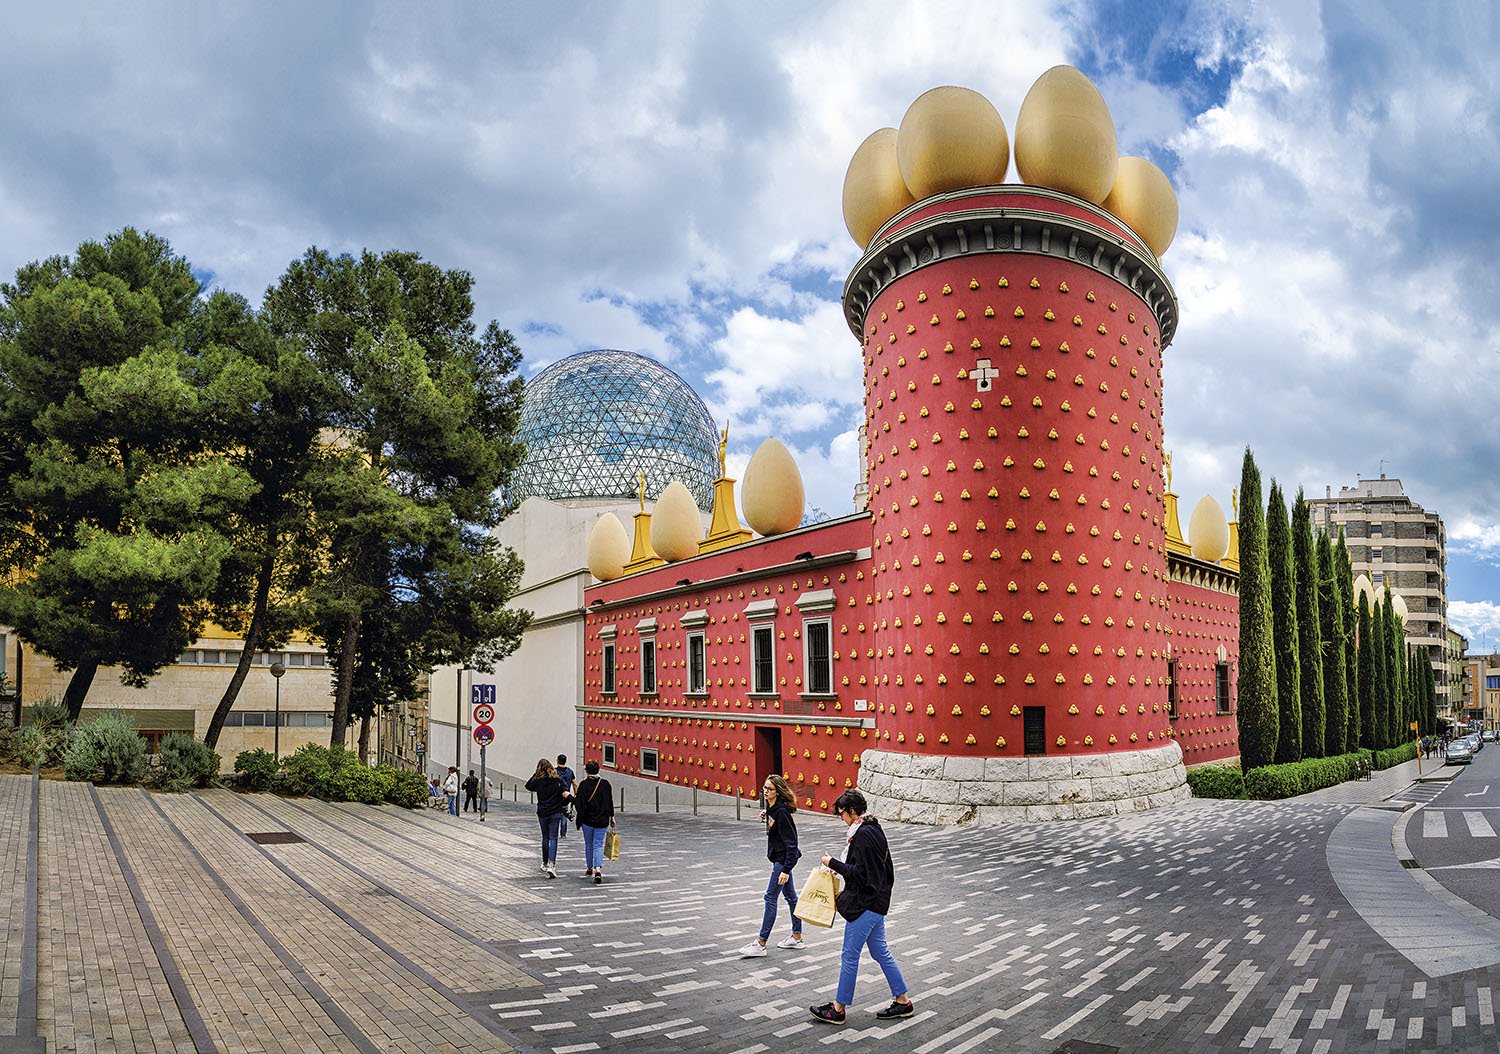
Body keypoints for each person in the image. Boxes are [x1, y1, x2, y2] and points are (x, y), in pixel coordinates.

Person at [809, 789, 913, 1025]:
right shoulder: (873, 828)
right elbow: (869, 869)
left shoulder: (864, 835)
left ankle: (838, 1009)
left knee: (849, 955)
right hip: (877, 902)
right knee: (879, 951)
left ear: (853, 811)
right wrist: (840, 867)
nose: (841, 818)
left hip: (867, 904)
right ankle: (903, 1001)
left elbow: (863, 875)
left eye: (842, 814)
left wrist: (832, 862)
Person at [740, 773, 805, 957]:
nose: (765, 791)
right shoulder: (773, 809)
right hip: (779, 860)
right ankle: (797, 936)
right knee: (792, 898)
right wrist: (766, 816)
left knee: (770, 898)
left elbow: (792, 844)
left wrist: (786, 869)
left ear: (778, 791)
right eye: (765, 788)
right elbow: (775, 828)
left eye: (769, 789)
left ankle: (761, 943)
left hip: (781, 862)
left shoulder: (782, 812)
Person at [525, 758, 571, 877]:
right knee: (554, 838)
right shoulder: (557, 779)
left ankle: (545, 863)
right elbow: (565, 790)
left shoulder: (538, 780)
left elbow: (528, 786)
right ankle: (552, 864)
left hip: (543, 812)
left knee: (545, 837)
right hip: (555, 811)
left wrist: (535, 774)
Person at [573, 759, 615, 884]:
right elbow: (609, 802)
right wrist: (612, 816)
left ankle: (589, 867)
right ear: (598, 770)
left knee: (588, 844)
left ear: (586, 771)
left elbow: (579, 805)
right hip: (602, 820)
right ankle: (598, 869)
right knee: (598, 844)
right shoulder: (605, 784)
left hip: (587, 821)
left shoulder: (583, 785)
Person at [556, 754, 576, 837]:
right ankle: (563, 833)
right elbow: (575, 784)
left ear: (557, 761)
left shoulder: (554, 771)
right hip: (566, 796)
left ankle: (554, 830)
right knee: (564, 813)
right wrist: (575, 794)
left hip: (556, 797)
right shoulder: (570, 771)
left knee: (556, 814)